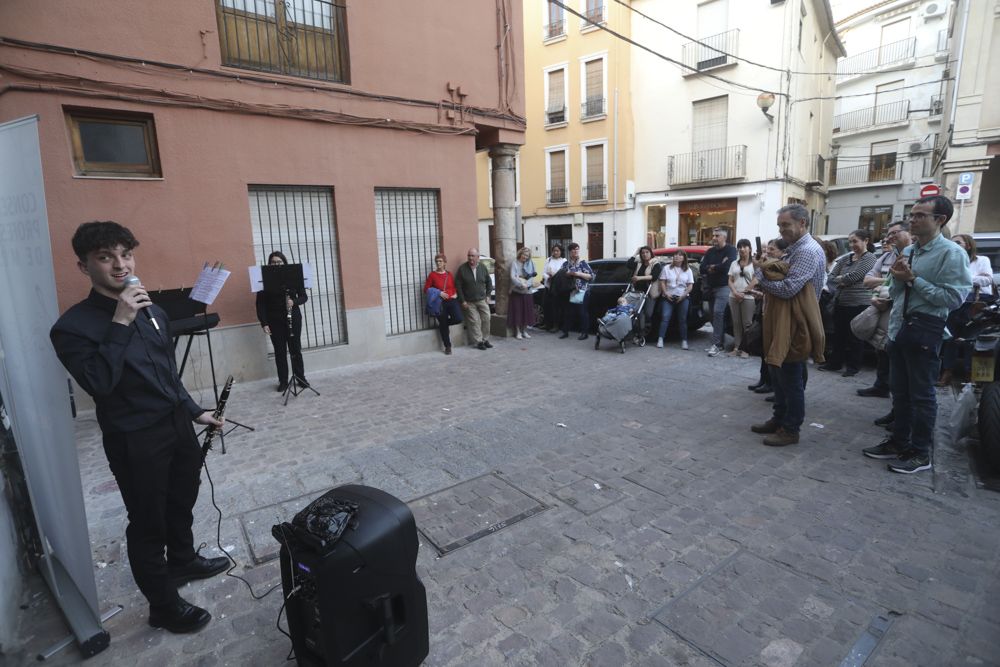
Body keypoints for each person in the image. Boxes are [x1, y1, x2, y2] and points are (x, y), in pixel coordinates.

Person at [50, 221, 228, 634]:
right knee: (148, 522)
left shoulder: (154, 311)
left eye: (125, 254)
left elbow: (166, 373)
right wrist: (121, 320)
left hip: (176, 427)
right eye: (105, 257)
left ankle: (183, 560)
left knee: (182, 499)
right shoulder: (72, 327)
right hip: (135, 438)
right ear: (83, 266)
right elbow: (98, 384)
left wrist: (193, 410)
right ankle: (163, 607)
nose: (119, 265)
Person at [862, 195, 972, 473]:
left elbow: (954, 298)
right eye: (912, 214)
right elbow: (895, 289)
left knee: (922, 395)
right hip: (899, 329)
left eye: (921, 215)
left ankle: (921, 453)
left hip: (925, 330)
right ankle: (899, 442)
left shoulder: (951, 253)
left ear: (940, 220)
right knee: (899, 392)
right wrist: (897, 282)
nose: (913, 219)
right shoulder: (910, 251)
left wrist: (913, 280)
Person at [750, 205, 827, 447]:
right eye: (780, 225)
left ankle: (791, 429)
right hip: (785, 320)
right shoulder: (796, 249)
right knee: (779, 374)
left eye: (786, 225)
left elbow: (788, 289)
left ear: (802, 223)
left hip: (796, 323)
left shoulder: (807, 251)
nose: (781, 230)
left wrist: (761, 275)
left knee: (791, 377)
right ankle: (779, 418)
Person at [858, 221, 911, 398]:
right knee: (881, 349)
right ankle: (881, 386)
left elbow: (908, 282)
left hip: (905, 314)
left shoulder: (914, 254)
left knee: (899, 358)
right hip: (885, 310)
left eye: (895, 233)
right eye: (889, 234)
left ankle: (899, 401)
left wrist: (885, 281)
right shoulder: (887, 257)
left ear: (908, 233)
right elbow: (867, 280)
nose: (890, 238)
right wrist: (880, 289)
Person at [819, 229, 877, 377]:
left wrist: (843, 279)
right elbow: (831, 276)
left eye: (855, 241)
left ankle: (853, 367)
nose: (852, 245)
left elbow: (855, 276)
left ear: (865, 241)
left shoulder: (869, 258)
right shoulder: (846, 258)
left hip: (859, 303)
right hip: (841, 302)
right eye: (850, 241)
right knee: (839, 336)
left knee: (855, 337)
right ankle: (835, 363)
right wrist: (843, 280)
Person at [938, 234, 992, 385]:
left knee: (971, 341)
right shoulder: (951, 262)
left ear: (968, 245)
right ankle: (947, 372)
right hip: (954, 304)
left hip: (973, 305)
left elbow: (987, 279)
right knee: (950, 339)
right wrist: (973, 279)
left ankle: (970, 375)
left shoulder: (982, 260)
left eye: (958, 243)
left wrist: (962, 279)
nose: (953, 245)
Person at [255, 251, 309, 391]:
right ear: (269, 264)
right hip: (274, 319)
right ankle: (283, 381)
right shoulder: (264, 279)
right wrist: (264, 323)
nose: (276, 264)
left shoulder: (294, 275)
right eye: (273, 262)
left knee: (295, 349)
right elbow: (260, 304)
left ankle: (300, 377)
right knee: (280, 351)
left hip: (293, 317)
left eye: (279, 262)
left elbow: (304, 297)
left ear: (284, 263)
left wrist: (293, 301)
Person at [747, 238, 788, 394]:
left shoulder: (780, 268)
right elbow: (762, 286)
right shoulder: (768, 266)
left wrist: (757, 291)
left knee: (773, 352)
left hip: (775, 314)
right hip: (764, 310)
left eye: (772, 249)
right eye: (767, 248)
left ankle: (773, 385)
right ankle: (764, 380)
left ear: (782, 252)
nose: (768, 251)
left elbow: (775, 290)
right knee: (764, 350)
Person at [700, 227, 737, 357]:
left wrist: (713, 266)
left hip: (724, 287)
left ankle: (717, 344)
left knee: (718, 313)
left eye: (717, 236)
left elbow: (728, 267)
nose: (714, 238)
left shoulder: (731, 250)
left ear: (724, 237)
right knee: (712, 315)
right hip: (710, 287)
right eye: (713, 235)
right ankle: (719, 341)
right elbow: (702, 268)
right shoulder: (710, 251)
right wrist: (716, 266)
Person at [653, 251, 694, 350]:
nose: (676, 256)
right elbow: (662, 282)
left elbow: (690, 285)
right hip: (668, 297)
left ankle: (684, 341)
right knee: (665, 317)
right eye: (675, 255)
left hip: (682, 297)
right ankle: (661, 339)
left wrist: (683, 296)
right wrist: (666, 294)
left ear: (684, 258)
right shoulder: (667, 268)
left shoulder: (688, 270)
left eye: (679, 255)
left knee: (682, 319)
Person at [424, 253, 462, 354]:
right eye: (437, 261)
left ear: (445, 263)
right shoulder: (432, 275)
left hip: (451, 300)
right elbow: (426, 289)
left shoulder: (449, 274)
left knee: (458, 318)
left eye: (440, 261)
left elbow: (452, 287)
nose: (438, 263)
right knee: (443, 323)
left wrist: (455, 294)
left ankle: (443, 325)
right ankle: (448, 346)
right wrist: (439, 292)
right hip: (440, 303)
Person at [455, 248, 493, 350]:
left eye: (472, 256)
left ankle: (485, 339)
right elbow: (458, 286)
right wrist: (462, 300)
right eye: (469, 256)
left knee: (487, 318)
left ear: (477, 257)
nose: (470, 258)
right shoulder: (462, 269)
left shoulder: (483, 268)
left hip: (482, 299)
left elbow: (489, 282)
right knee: (475, 321)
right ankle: (479, 341)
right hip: (469, 302)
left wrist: (488, 295)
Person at [559, 242, 594, 341]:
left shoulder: (583, 263)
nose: (575, 251)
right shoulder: (566, 264)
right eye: (573, 249)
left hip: (582, 291)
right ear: (570, 252)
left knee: (582, 312)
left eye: (577, 249)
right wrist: (569, 273)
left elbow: (591, 276)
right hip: (570, 291)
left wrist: (578, 273)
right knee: (568, 312)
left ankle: (584, 333)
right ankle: (565, 331)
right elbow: (561, 274)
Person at [728, 239, 757, 358]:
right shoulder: (734, 263)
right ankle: (737, 347)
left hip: (748, 297)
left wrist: (744, 293)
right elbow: (730, 280)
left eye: (745, 246)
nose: (742, 249)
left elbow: (756, 279)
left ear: (750, 248)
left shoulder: (754, 263)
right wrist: (735, 292)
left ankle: (747, 348)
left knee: (747, 324)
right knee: (736, 322)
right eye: (739, 247)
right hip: (734, 296)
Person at [625, 245, 664, 336]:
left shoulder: (655, 263)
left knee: (648, 313)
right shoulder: (639, 263)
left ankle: (647, 331)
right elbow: (628, 265)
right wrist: (636, 253)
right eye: (643, 253)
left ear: (651, 253)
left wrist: (639, 278)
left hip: (650, 292)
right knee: (638, 312)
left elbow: (654, 277)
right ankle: (640, 332)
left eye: (647, 252)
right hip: (638, 292)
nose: (645, 255)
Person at [509, 246, 538, 339]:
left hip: (527, 291)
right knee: (518, 312)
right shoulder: (515, 263)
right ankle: (517, 332)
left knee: (526, 312)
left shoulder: (530, 263)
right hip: (517, 291)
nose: (525, 257)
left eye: (527, 256)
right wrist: (521, 284)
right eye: (524, 255)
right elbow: (513, 277)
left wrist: (528, 285)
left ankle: (524, 331)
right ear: (520, 253)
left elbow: (533, 275)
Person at [541, 244, 567, 331]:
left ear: (561, 252)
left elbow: (564, 274)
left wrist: (555, 275)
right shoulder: (548, 260)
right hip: (548, 285)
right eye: (554, 251)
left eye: (557, 251)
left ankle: (556, 326)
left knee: (556, 307)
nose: (555, 252)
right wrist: (548, 277)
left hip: (558, 288)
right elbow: (543, 272)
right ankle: (547, 324)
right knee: (546, 305)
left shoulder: (564, 261)